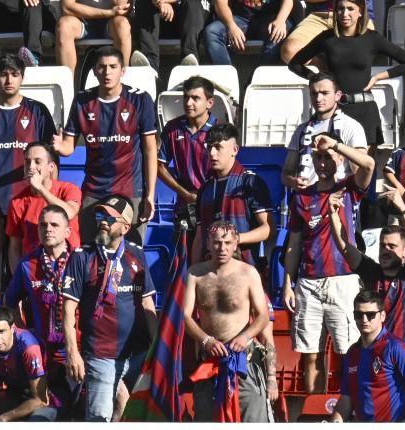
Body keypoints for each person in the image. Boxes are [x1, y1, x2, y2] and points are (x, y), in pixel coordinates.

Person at [283, 132, 374, 396]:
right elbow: (294, 245)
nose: (322, 162)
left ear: (339, 158)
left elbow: (368, 164)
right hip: (308, 283)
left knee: (348, 353)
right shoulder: (301, 197)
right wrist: (288, 284)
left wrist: (335, 144)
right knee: (310, 355)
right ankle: (314, 414)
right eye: (318, 157)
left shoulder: (349, 188)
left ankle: (349, 410)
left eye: (328, 157)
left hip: (343, 280)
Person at [60, 194, 156, 422]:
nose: (103, 221)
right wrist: (73, 352)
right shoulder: (83, 257)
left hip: (137, 354)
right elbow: (67, 310)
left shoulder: (136, 254)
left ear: (125, 227)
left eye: (110, 218)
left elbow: (147, 304)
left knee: (134, 418)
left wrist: (156, 350)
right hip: (101, 355)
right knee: (98, 422)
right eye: (101, 215)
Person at [0, 53, 59, 268]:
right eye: (3, 75)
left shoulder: (37, 111)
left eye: (14, 75)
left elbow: (52, 159)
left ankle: (25, 302)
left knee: (28, 264)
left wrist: (48, 194)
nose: (9, 80)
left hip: (29, 199)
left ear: (22, 77)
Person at [59, 47, 159, 238]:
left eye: (113, 67)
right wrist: (58, 146)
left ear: (122, 71)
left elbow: (150, 148)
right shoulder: (82, 100)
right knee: (91, 251)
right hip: (93, 192)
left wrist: (150, 194)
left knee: (131, 253)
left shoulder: (140, 99)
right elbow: (68, 147)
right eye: (102, 67)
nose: (107, 72)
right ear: (95, 71)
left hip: (131, 190)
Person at [285, 0, 405, 146]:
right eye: (340, 9)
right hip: (335, 111)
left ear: (360, 11)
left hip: (365, 110)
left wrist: (377, 77)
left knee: (365, 167)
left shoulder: (372, 38)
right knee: (333, 166)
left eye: (350, 9)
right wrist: (317, 79)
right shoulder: (327, 38)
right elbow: (295, 64)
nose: (345, 14)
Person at [187, 221, 272, 422]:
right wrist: (206, 340)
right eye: (216, 243)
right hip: (210, 361)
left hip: (244, 361)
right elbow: (185, 316)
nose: (222, 248)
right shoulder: (195, 274)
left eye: (227, 242)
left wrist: (245, 336)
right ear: (208, 243)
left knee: (253, 428)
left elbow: (263, 316)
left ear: (236, 244)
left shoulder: (249, 273)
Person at [332, 184, 405, 352]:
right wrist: (332, 214)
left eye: (392, 246)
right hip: (376, 356)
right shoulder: (372, 272)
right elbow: (344, 248)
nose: (386, 250)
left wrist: (403, 210)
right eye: (383, 246)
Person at [6, 204, 75, 417]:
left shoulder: (80, 260)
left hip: (78, 352)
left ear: (67, 231)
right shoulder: (28, 264)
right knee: (45, 416)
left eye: (55, 225)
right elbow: (10, 302)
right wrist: (26, 335)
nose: (48, 229)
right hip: (44, 356)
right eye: (43, 225)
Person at [332, 289, 405, 423]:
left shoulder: (396, 348)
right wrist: (334, 423)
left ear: (382, 316)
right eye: (358, 314)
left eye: (370, 315)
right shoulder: (352, 353)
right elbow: (346, 398)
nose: (364, 319)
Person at [190, 122, 272, 267]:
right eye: (209, 147)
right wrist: (194, 270)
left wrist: (236, 238)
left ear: (234, 149)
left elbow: (268, 229)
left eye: (218, 147)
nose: (212, 153)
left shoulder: (250, 183)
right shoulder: (205, 189)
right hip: (209, 270)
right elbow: (199, 236)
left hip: (243, 268)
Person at [156, 76, 218, 254]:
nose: (189, 103)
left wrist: (206, 197)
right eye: (186, 97)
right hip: (184, 207)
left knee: (213, 259)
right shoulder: (172, 128)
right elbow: (159, 166)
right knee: (184, 262)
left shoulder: (220, 130)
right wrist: (185, 194)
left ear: (210, 102)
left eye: (195, 98)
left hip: (214, 206)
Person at [280, 73, 367, 194]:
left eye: (325, 93)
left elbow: (362, 169)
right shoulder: (301, 130)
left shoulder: (352, 126)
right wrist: (293, 181)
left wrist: (336, 147)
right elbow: (286, 173)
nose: (319, 98)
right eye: (314, 94)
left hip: (337, 199)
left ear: (338, 95)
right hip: (306, 200)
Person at [3, 143, 82, 271]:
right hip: (35, 274)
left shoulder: (68, 189)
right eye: (27, 162)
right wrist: (18, 278)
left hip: (70, 269)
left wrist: (40, 188)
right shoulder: (17, 202)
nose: (31, 167)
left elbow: (69, 213)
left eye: (38, 162)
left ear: (51, 167)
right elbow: (14, 247)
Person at [0, 306, 52, 422]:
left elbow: (41, 399)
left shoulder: (28, 347)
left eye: (2, 331)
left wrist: (5, 418)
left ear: (12, 328)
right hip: (13, 392)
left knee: (37, 420)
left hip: (47, 395)